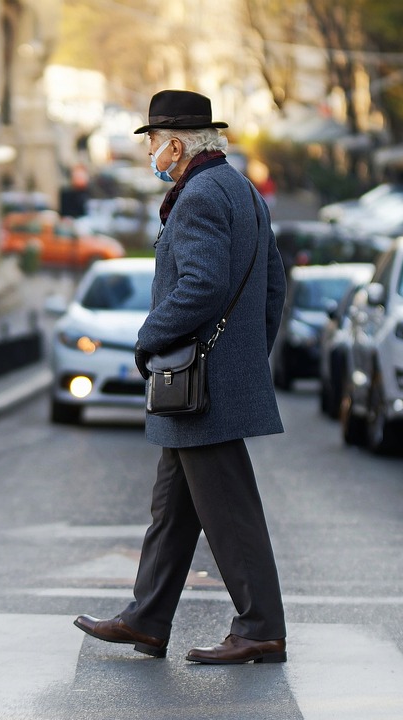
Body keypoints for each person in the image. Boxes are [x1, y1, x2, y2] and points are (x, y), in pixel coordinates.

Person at [73, 89, 289, 665]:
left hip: (199, 386)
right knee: (173, 508)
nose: (152, 153)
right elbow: (274, 285)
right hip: (217, 380)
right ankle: (147, 618)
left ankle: (261, 628)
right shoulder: (241, 190)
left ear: (176, 142)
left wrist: (149, 339)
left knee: (230, 512)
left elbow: (200, 285)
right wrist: (248, 356)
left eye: (154, 142)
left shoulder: (196, 197)